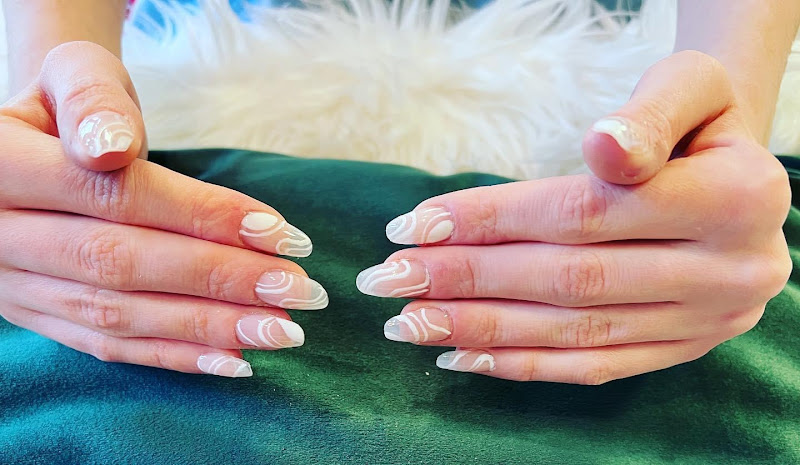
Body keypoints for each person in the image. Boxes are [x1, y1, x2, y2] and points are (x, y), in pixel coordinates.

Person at [0, 0, 797, 383]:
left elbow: (720, 114)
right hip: (185, 97)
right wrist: (50, 111)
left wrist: (726, 113)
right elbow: (58, 104)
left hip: (612, 97)